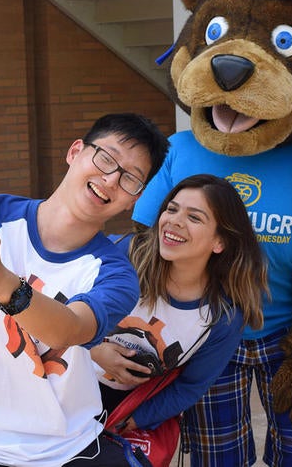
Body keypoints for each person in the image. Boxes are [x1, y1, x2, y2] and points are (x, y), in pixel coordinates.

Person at [0, 112, 169, 467]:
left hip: (67, 448)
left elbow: (69, 329)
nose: (110, 180)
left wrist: (2, 284)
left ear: (135, 198)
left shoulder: (116, 275)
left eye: (130, 178)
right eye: (106, 158)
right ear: (75, 152)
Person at [132, 132, 292, 467]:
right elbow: (148, 239)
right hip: (206, 329)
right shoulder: (184, 147)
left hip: (287, 331)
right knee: (217, 454)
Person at [91, 174, 268, 433]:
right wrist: (93, 350)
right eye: (171, 210)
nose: (174, 221)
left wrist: (138, 419)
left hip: (122, 409)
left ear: (220, 241)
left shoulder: (223, 317)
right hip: (59, 381)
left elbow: (191, 385)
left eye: (194, 217)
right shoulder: (123, 253)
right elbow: (58, 307)